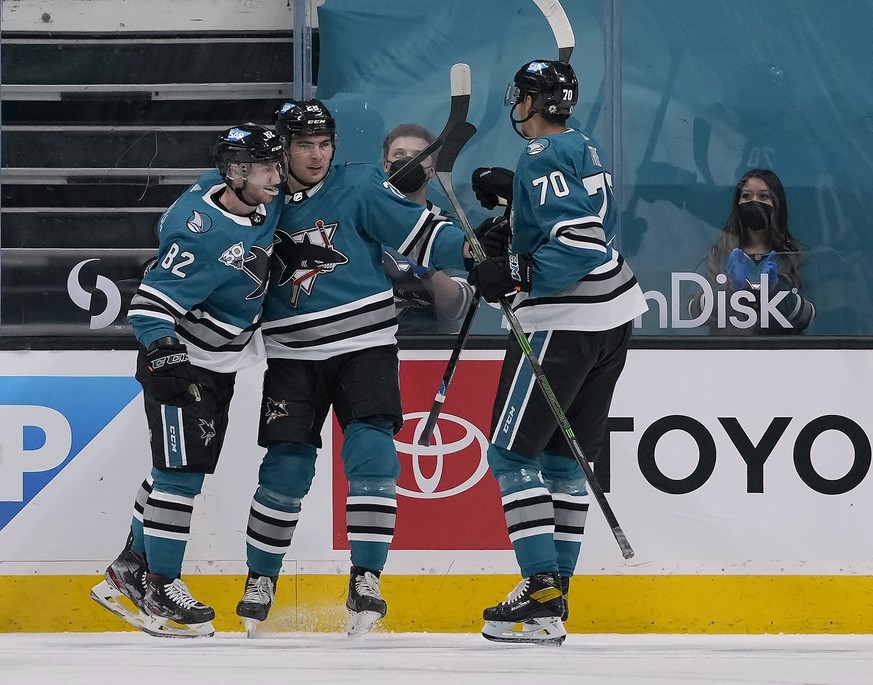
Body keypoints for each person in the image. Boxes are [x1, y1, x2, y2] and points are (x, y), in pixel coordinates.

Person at [234, 100, 471, 637]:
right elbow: (204, 223)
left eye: (324, 144)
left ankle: (366, 576)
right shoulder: (259, 194)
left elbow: (422, 234)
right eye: (303, 145)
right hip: (293, 355)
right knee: (286, 466)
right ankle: (261, 578)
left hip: (365, 346)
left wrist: (478, 252)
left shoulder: (360, 186)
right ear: (282, 147)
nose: (316, 156)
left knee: (371, 452)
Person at [467, 60, 648, 645]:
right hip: (613, 315)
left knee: (511, 457)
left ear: (530, 101)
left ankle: (541, 587)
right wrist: (517, 205)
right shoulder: (580, 145)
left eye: (519, 97)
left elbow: (576, 242)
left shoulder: (540, 156)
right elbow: (580, 217)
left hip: (563, 323)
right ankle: (553, 602)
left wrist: (515, 271)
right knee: (566, 464)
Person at [89, 123, 286, 638]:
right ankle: (161, 588)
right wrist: (166, 358)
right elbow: (148, 306)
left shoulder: (248, 199)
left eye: (275, 163)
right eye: (266, 167)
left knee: (174, 469)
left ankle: (128, 569)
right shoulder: (201, 235)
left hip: (219, 365)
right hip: (181, 363)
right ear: (236, 172)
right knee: (180, 476)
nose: (276, 175)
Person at [687, 168, 815, 335]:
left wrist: (775, 289)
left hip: (783, 357)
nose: (754, 202)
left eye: (763, 196)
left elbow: (810, 317)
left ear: (777, 204)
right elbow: (693, 313)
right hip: (726, 357)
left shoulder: (797, 257)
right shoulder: (717, 256)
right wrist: (730, 288)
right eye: (746, 196)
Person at [380, 123, 475, 334]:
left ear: (432, 170)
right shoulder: (363, 221)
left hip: (432, 348)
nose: (408, 161)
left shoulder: (448, 226)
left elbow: (460, 305)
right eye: (399, 154)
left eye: (419, 155)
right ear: (386, 165)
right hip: (366, 347)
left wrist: (423, 268)